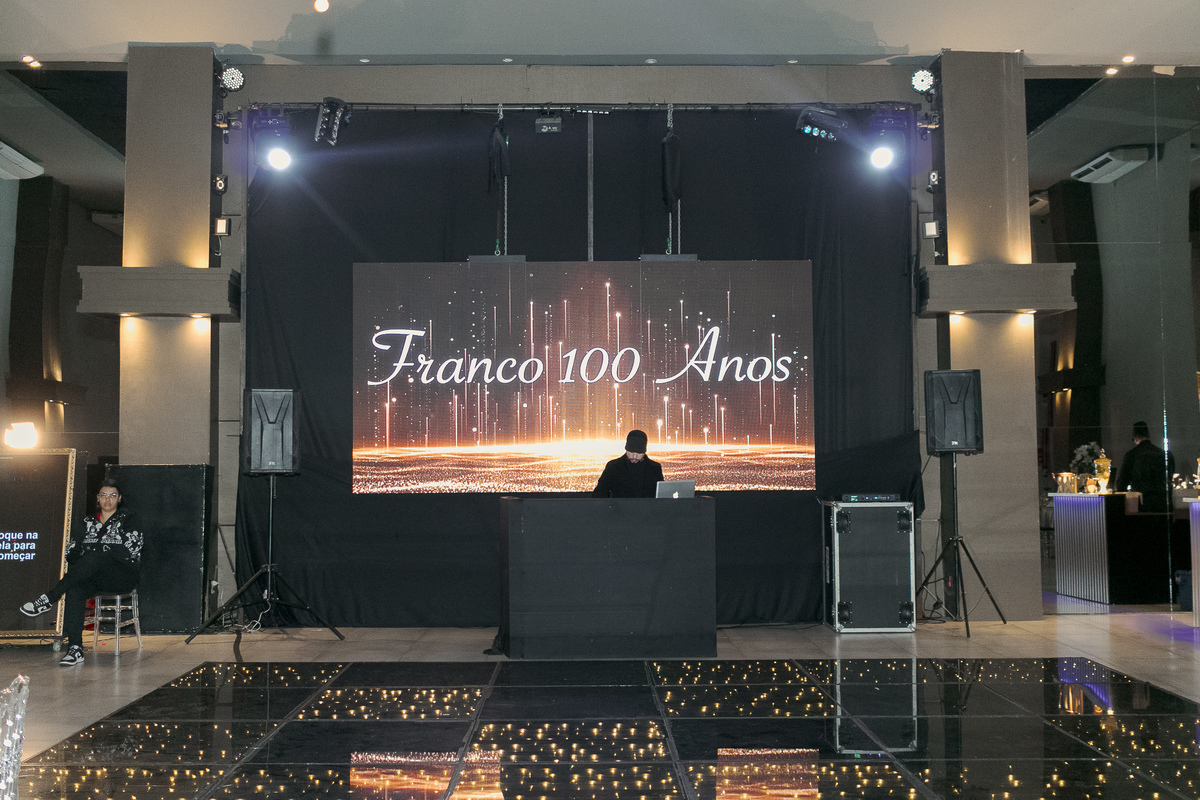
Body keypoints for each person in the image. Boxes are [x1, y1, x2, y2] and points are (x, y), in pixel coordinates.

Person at [19, 478, 143, 666]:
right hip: (93, 576)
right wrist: (97, 553)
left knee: (95, 556)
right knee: (75, 587)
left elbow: (130, 549)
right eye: (103, 495)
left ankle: (50, 597)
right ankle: (75, 648)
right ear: (98, 498)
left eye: (112, 495)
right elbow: (71, 552)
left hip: (121, 576)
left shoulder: (129, 519)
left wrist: (97, 550)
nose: (107, 500)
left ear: (119, 498)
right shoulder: (87, 522)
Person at [1115, 421, 1175, 513]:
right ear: (1148, 436)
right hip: (1164, 505)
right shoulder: (1165, 454)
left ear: (1135, 439)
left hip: (1143, 506)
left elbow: (1122, 483)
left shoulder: (1131, 455)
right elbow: (1170, 477)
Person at [593, 429, 665, 498]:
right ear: (626, 449)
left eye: (639, 453)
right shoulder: (613, 467)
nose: (634, 456)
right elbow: (600, 493)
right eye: (631, 452)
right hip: (619, 507)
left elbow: (662, 495)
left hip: (647, 507)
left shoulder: (655, 468)